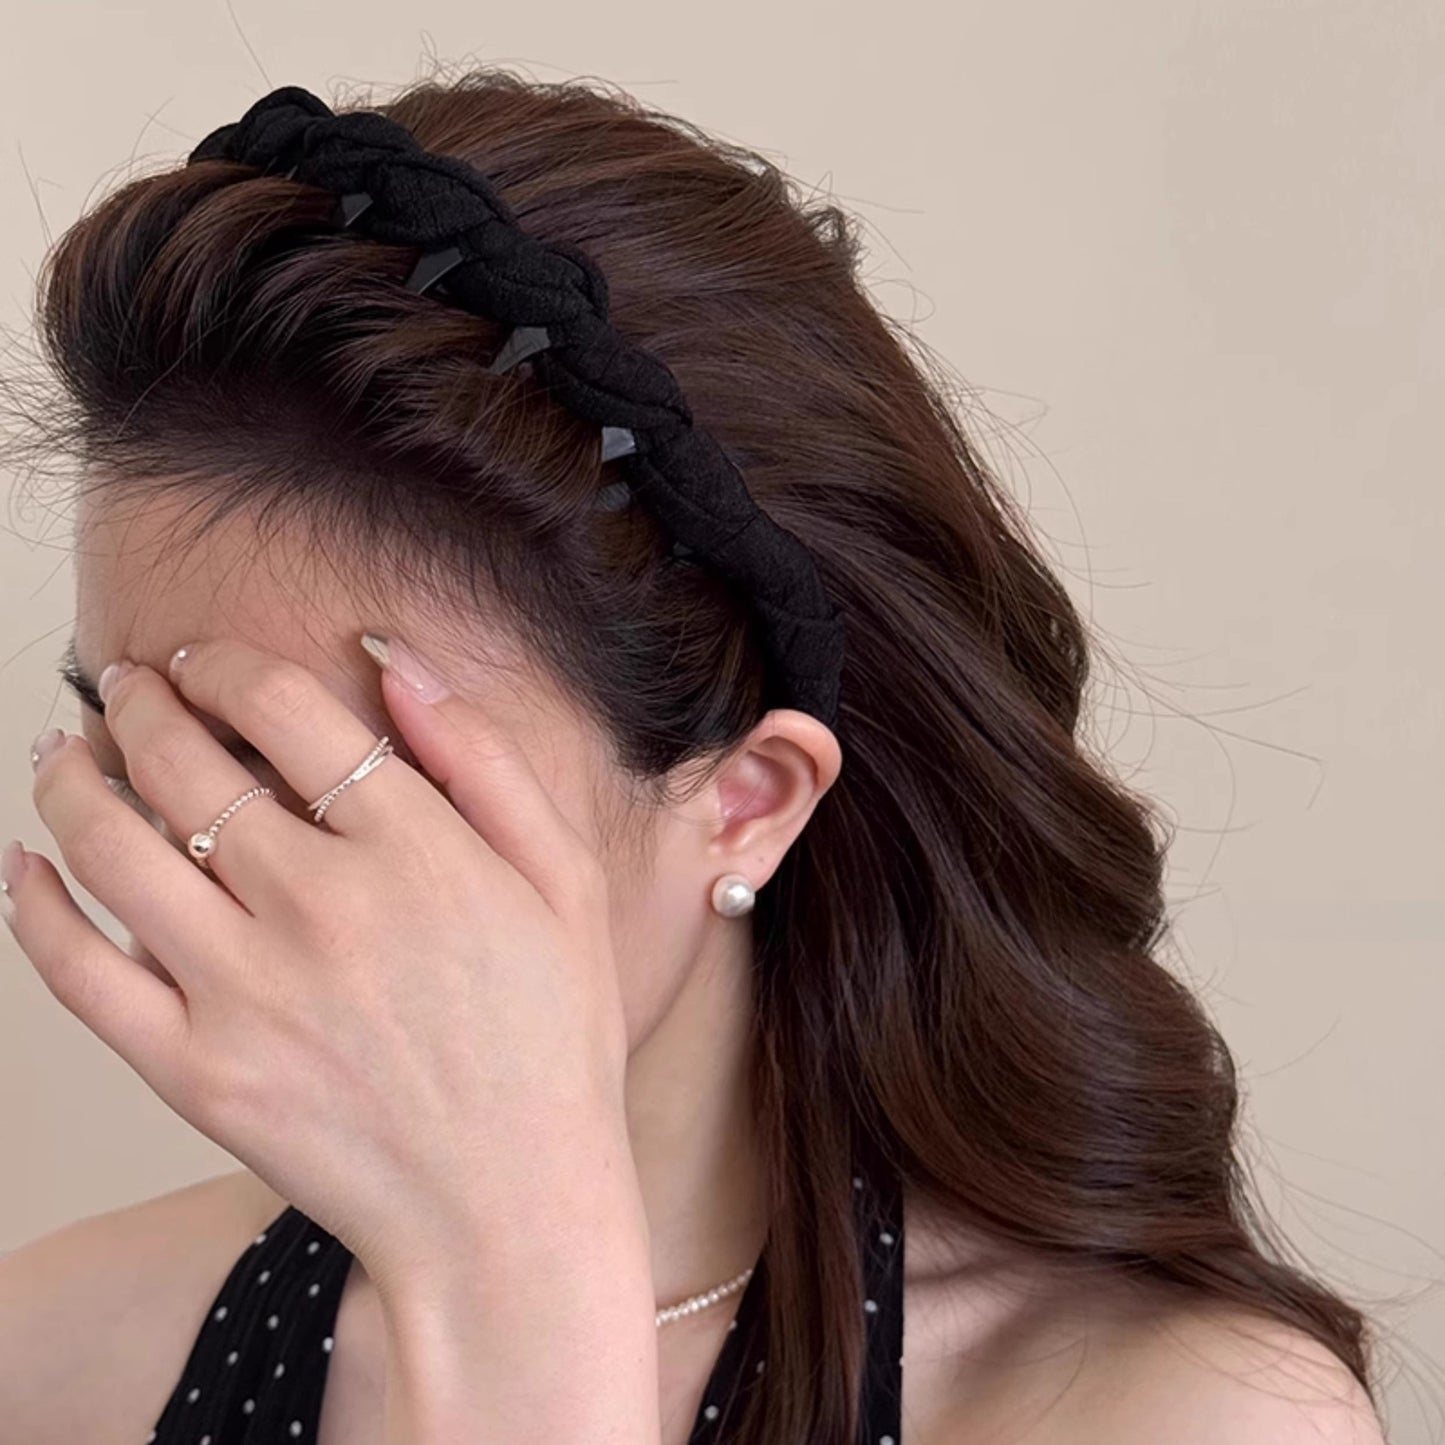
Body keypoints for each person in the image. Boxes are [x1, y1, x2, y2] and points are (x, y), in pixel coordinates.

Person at [0, 69, 1387, 1445]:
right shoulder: (57, 1360)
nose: (185, 877)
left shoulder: (1175, 1414)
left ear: (745, 801)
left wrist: (514, 1278)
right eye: (142, 753)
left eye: (324, 785)